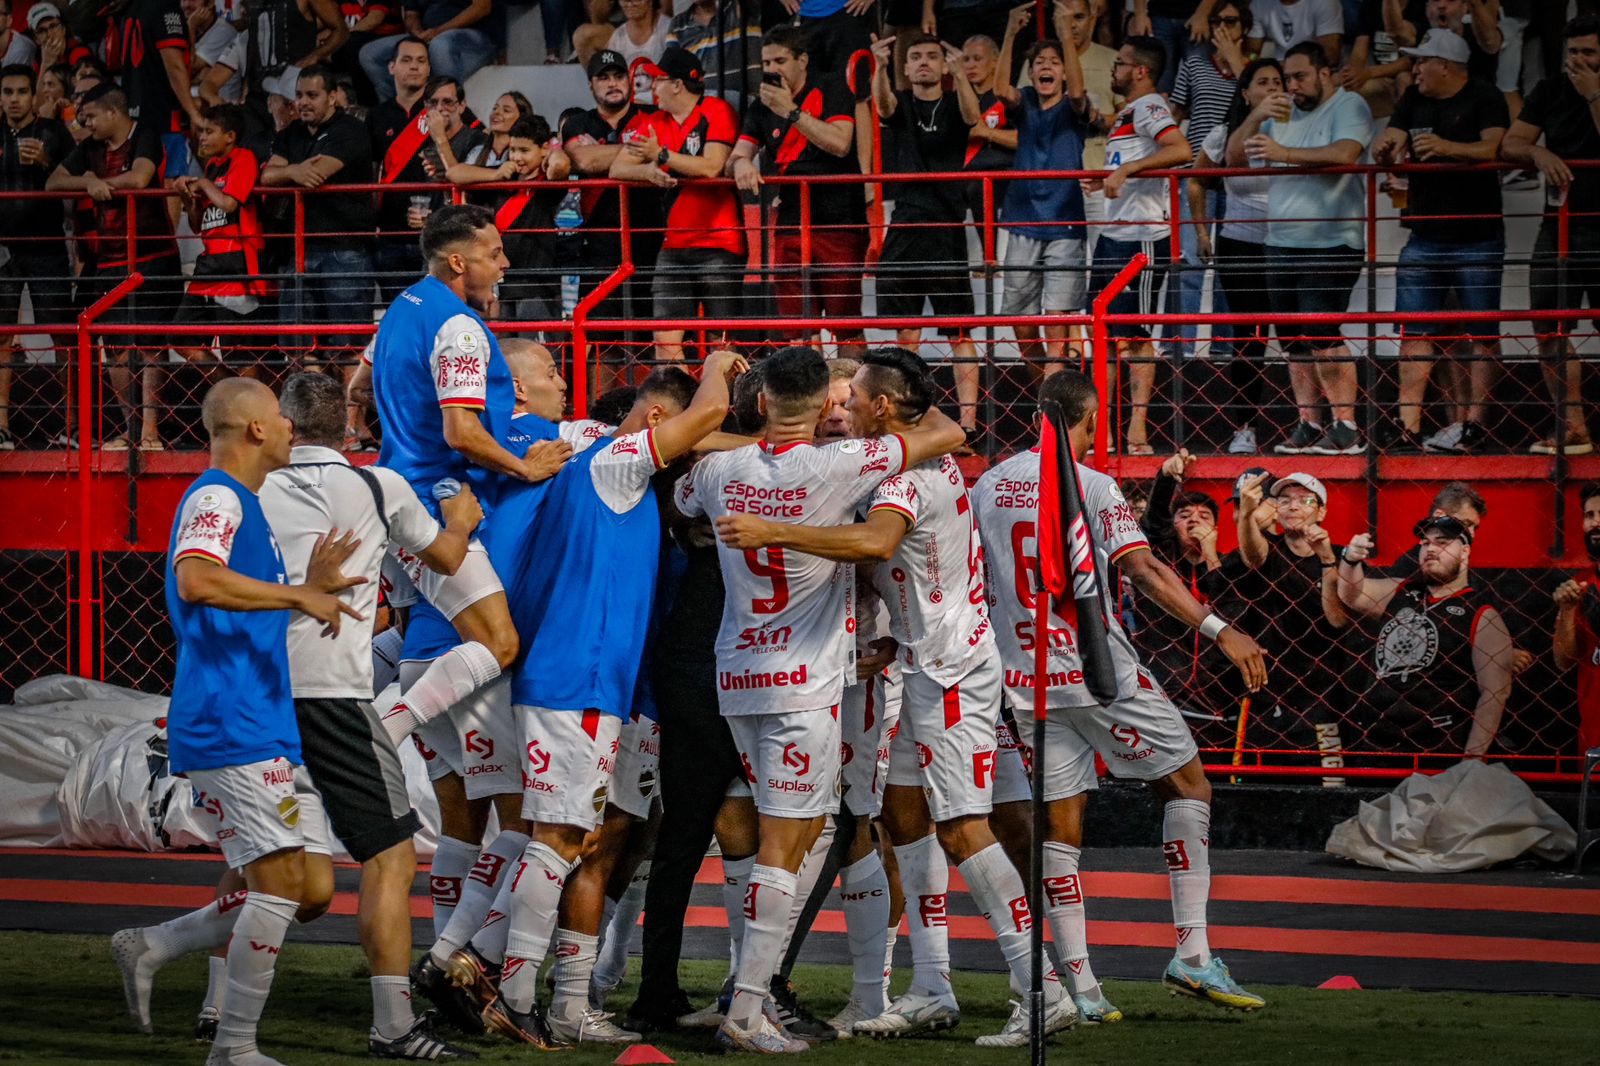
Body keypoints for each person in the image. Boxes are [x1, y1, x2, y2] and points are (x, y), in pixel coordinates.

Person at [714, 348, 1069, 1046]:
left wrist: (771, 529)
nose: (841, 408)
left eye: (857, 396)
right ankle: (932, 983)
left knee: (965, 826)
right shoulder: (907, 456)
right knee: (902, 814)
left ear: (883, 407)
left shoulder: (904, 481)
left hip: (951, 669)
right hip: (918, 657)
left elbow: (875, 542)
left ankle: (1041, 986)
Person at [675, 345, 965, 1053]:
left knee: (796, 838)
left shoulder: (715, 470)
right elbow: (949, 433)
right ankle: (747, 1009)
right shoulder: (845, 466)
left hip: (736, 675)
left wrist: (723, 403)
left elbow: (684, 488)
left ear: (764, 401)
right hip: (808, 682)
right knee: (793, 842)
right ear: (818, 406)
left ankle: (754, 997)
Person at [972, 367, 1268, 1018]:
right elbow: (1144, 568)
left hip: (1023, 678)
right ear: (1091, 422)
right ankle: (1192, 955)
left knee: (1060, 830)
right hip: (1096, 669)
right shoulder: (1094, 484)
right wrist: (1221, 630)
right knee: (1189, 787)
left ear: (1034, 419)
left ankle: (1084, 989)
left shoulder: (987, 486)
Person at [481, 352, 748, 1047]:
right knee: (561, 839)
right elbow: (710, 416)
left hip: (580, 678)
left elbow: (707, 433)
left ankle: (559, 1002)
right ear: (658, 421)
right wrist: (718, 361)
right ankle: (504, 986)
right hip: (581, 677)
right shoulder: (620, 460)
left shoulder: (589, 445)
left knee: (578, 838)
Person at [143, 377, 363, 1066]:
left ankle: (157, 945)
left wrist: (311, 595)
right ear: (257, 431)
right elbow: (196, 579)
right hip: (228, 718)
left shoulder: (248, 505)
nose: (293, 427)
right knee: (278, 887)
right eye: (281, 418)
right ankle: (232, 1045)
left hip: (261, 718)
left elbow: (228, 592)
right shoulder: (217, 496)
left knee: (312, 889)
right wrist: (298, 593)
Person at [368, 205, 573, 754]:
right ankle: (381, 733)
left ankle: (335, 722)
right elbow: (460, 431)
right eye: (493, 253)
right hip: (437, 498)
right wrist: (524, 466)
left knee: (414, 632)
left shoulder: (402, 305)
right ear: (458, 261)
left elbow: (361, 384)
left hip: (396, 482)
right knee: (498, 642)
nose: (504, 263)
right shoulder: (459, 327)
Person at [1227, 40, 1373, 456]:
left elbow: (1346, 154)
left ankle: (1346, 426)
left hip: (1331, 240)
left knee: (1322, 332)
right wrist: (1255, 116)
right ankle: (1309, 422)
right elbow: (1232, 158)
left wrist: (1283, 153)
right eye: (1287, 77)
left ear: (1325, 73)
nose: (1291, 85)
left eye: (1300, 76)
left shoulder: (1349, 105)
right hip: (1280, 240)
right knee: (1292, 339)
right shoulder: (1281, 110)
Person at [1371, 28, 1507, 455]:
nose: (1414, 69)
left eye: (1421, 62)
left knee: (1482, 332)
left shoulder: (1485, 96)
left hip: (1478, 235)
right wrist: (1386, 151)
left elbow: (1492, 148)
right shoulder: (1413, 98)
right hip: (1425, 232)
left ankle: (1473, 427)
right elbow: (1389, 139)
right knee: (1414, 330)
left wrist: (1445, 146)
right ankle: (1407, 423)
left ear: (1445, 66)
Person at [46, 82, 182, 452]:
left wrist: (98, 183)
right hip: (108, 261)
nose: (85, 124)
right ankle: (132, 430)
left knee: (152, 344)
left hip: (153, 258)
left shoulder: (145, 135)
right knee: (116, 348)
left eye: (89, 117)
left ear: (112, 113)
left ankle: (151, 431)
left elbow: (139, 178)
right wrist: (88, 181)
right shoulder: (89, 148)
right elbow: (53, 182)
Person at [729, 26, 867, 359]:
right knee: (795, 325)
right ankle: (807, 399)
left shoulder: (831, 86)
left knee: (845, 324)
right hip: (791, 219)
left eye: (780, 60)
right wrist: (742, 165)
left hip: (839, 219)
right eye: (766, 62)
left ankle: (851, 402)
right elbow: (737, 153)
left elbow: (839, 142)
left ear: (802, 60)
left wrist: (790, 111)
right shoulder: (761, 104)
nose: (772, 69)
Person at [871, 34, 984, 439]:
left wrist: (960, 74)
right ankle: (907, 418)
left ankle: (969, 423)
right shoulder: (899, 100)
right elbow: (882, 106)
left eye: (932, 57)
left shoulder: (955, 100)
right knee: (906, 332)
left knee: (960, 331)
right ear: (905, 67)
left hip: (948, 227)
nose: (923, 63)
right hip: (906, 225)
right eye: (915, 57)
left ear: (942, 65)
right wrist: (879, 67)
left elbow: (973, 118)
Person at [1085, 34, 1193, 454]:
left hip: (1142, 237)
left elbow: (1180, 149)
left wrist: (1127, 169)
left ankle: (1136, 431)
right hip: (1115, 234)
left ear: (1140, 71)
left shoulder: (1150, 106)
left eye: (1121, 63)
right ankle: (1106, 429)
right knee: (1106, 334)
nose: (1114, 69)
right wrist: (1110, 176)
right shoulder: (1130, 111)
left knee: (1136, 335)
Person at [1500, 14, 1600, 456]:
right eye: (1572, 52)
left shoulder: (1586, 89)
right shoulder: (1549, 90)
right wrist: (1538, 151)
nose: (1577, 61)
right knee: (1547, 325)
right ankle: (1573, 427)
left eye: (1589, 52)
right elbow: (1510, 144)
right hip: (1558, 224)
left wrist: (1593, 94)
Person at [1338, 515, 1513, 758]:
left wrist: (1472, 760)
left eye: (1442, 542)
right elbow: (1351, 596)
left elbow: (1495, 693)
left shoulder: (1481, 614)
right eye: (1425, 543)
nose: (1430, 549)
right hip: (1376, 743)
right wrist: (1350, 559)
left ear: (1464, 552)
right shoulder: (1401, 591)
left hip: (1436, 750)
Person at [611, 47, 746, 363]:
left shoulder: (716, 110)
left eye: (657, 80)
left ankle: (724, 407)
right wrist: (646, 171)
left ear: (676, 84)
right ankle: (678, 406)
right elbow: (618, 168)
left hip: (720, 244)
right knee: (665, 341)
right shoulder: (655, 121)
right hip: (674, 245)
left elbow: (712, 166)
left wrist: (661, 156)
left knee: (721, 342)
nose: (652, 88)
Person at [1226, 470, 1350, 767]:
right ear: (1276, 508)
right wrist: (1246, 516)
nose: (1293, 506)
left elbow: (1338, 620)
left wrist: (1326, 560)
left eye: (1304, 500)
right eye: (1285, 500)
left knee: (1329, 785)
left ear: (1322, 511)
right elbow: (1254, 555)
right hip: (1265, 690)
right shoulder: (1269, 549)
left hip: (1322, 692)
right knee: (1252, 782)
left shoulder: (1341, 555)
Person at [1190, 57, 1282, 454]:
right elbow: (1197, 181)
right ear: (1245, 93)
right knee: (1249, 338)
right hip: (1240, 243)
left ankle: (1318, 425)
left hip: (1292, 242)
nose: (1273, 88)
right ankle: (1244, 425)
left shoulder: (1301, 128)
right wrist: (1200, 231)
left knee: (1302, 335)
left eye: (1278, 81)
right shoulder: (1225, 132)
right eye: (1262, 82)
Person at [994, 3, 1091, 375]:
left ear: (1064, 70)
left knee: (1058, 319)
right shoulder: (1026, 101)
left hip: (1065, 221)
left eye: (1054, 62)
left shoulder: (1074, 106)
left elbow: (1080, 92)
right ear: (1031, 71)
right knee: (1019, 320)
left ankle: (1057, 404)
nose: (1046, 67)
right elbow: (1000, 88)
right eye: (1039, 62)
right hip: (1022, 221)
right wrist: (1010, 32)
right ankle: (1046, 390)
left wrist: (1065, 32)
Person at [260, 65, 377, 372]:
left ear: (333, 97)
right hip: (297, 249)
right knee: (301, 346)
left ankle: (352, 420)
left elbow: (318, 173)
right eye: (299, 95)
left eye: (313, 95)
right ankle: (312, 417)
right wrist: (292, 172)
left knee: (347, 345)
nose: (304, 102)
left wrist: (289, 171)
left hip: (344, 247)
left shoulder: (351, 129)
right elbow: (268, 177)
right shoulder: (290, 133)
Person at [561, 49, 665, 361]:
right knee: (601, 335)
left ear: (630, 80)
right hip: (599, 238)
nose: (612, 83)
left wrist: (604, 154)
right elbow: (583, 158)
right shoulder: (578, 121)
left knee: (650, 332)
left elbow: (596, 157)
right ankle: (603, 409)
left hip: (652, 234)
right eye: (603, 78)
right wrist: (642, 150)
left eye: (618, 76)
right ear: (591, 84)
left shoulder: (654, 114)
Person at [0, 64, 71, 452]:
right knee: (1, 336)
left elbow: (73, 177)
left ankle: (74, 425)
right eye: (7, 92)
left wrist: (46, 163)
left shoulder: (54, 132)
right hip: (2, 251)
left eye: (21, 92)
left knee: (63, 336)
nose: (14, 99)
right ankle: (1, 427)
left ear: (34, 96)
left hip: (47, 246)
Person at [173, 104, 276, 372]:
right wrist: (188, 198)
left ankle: (245, 403)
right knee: (180, 337)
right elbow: (197, 226)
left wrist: (203, 185)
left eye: (209, 131)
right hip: (209, 266)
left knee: (238, 351)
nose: (202, 137)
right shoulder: (212, 167)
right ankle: (225, 386)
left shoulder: (243, 158)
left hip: (239, 264)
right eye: (200, 132)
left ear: (229, 136)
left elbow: (229, 204)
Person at [360, 0, 497, 99]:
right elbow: (411, 15)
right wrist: (418, 34)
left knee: (440, 46)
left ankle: (444, 108)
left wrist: (438, 31)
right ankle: (400, 111)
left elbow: (482, 7)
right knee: (370, 53)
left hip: (472, 37)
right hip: (430, 36)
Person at [1553, 483, 1600, 757]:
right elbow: (1563, 660)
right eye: (1589, 515)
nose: (1596, 523)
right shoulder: (1580, 584)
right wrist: (1568, 610)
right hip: (1594, 741)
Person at [1338, 0, 1423, 119]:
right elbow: (1359, 49)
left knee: (1404, 79)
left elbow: (1412, 60)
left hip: (1412, 75)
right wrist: (1352, 74)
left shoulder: (1422, 6)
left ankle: (1403, 127)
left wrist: (1369, 73)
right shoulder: (1372, 5)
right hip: (1381, 77)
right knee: (1343, 86)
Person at [667, 0, 762, 104]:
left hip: (752, 107)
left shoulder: (743, 6)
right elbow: (672, 78)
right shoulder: (678, 25)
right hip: (706, 112)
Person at [1422, 0, 1501, 86]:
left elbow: (1490, 42)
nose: (1441, 5)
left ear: (1464, 8)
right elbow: (1407, 35)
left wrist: (1474, 3)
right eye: (1435, 0)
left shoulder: (1478, 33)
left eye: (1450, 0)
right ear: (1427, 8)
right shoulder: (1422, 35)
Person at [1246, 0, 1343, 66]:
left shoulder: (1325, 2)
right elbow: (1251, 53)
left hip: (1313, 69)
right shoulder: (1258, 3)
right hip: (1278, 71)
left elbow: (1331, 57)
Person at [610, 0, 672, 102]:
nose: (629, 4)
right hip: (631, 103)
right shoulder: (618, 36)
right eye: (624, 0)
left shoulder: (668, 27)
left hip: (664, 102)